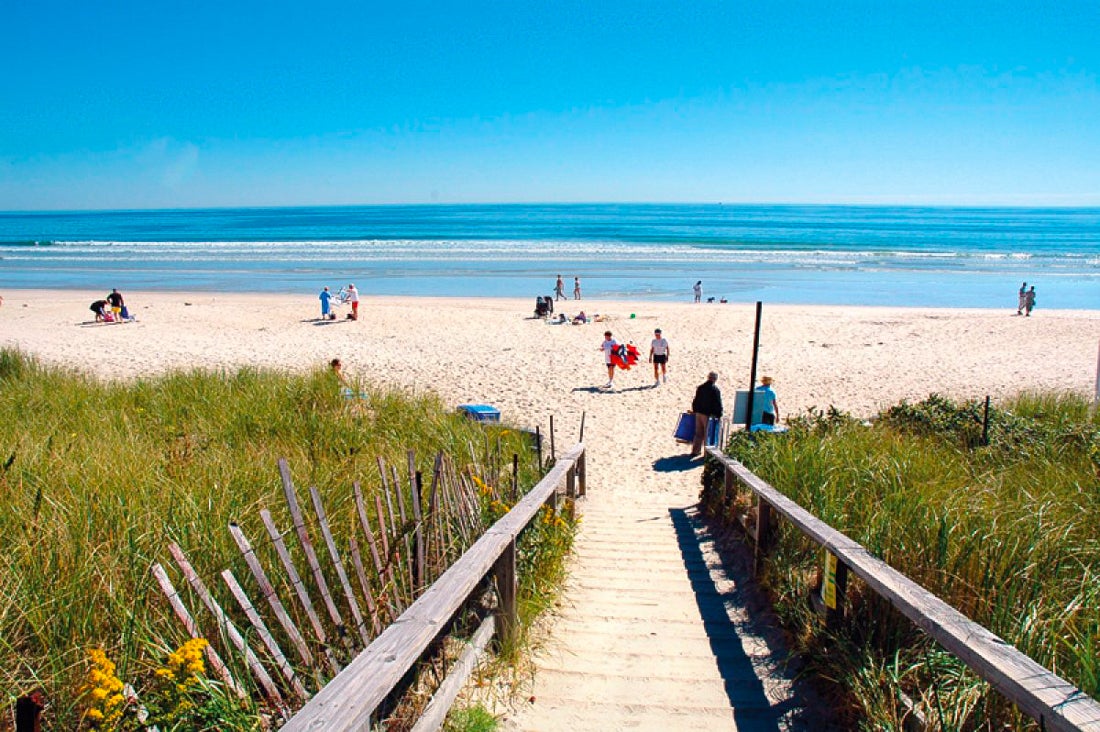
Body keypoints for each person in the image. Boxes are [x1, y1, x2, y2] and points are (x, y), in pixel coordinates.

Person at [690, 372, 723, 457]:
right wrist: (719, 414)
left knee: (698, 433)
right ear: (715, 379)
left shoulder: (701, 387)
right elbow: (717, 403)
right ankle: (706, 454)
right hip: (708, 415)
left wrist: (694, 410)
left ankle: (695, 451)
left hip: (699, 413)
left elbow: (696, 400)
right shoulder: (715, 390)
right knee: (707, 434)